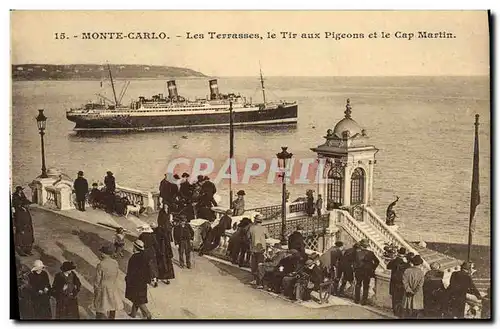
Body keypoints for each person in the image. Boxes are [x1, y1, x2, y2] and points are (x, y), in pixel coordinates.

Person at [125, 240, 155, 319]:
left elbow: (131, 272)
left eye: (133, 247)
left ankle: (148, 314)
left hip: (135, 282)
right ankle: (133, 313)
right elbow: (149, 269)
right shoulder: (144, 256)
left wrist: (128, 280)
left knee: (138, 300)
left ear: (136, 248)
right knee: (137, 298)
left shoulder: (133, 258)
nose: (132, 248)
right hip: (143, 282)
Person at [93, 244, 122, 319]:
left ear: (104, 254)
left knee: (100, 305)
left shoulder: (101, 264)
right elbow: (116, 274)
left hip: (103, 286)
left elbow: (97, 280)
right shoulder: (115, 263)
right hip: (113, 286)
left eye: (102, 252)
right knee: (113, 305)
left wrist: (96, 290)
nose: (101, 254)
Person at [353, 239, 380, 305]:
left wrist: (355, 268)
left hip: (359, 271)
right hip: (367, 272)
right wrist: (372, 268)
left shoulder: (357, 253)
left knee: (358, 284)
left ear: (361, 246)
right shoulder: (370, 253)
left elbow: (354, 262)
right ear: (367, 246)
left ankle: (357, 300)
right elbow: (377, 261)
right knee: (366, 286)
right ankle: (364, 301)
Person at [12, 186, 34, 256]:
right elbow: (18, 220)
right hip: (22, 228)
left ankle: (28, 251)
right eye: (27, 205)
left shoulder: (26, 210)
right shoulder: (19, 212)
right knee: (21, 240)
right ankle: (21, 252)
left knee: (28, 239)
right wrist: (20, 229)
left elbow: (29, 220)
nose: (28, 206)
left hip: (28, 228)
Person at [387, 247, 409, 317]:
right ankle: (399, 312)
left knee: (394, 298)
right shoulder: (405, 263)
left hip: (394, 282)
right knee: (401, 298)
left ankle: (395, 311)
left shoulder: (394, 261)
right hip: (402, 283)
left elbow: (388, 267)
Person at [248, 214, 268, 285]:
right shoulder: (264, 228)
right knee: (260, 265)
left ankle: (255, 279)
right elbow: (267, 237)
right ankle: (260, 281)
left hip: (254, 248)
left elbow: (248, 237)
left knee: (254, 265)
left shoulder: (251, 228)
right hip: (262, 249)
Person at [153, 218, 175, 284]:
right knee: (166, 266)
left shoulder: (155, 234)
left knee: (157, 265)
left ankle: (156, 278)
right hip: (165, 253)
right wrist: (170, 254)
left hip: (158, 253)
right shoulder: (165, 234)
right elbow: (168, 245)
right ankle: (166, 279)